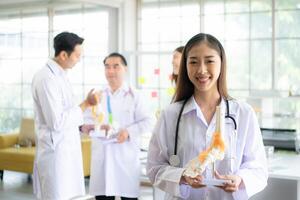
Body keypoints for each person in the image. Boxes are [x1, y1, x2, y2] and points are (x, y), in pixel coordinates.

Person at [146, 33, 268, 200]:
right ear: (185, 66)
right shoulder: (170, 115)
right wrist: (182, 176)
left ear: (221, 64)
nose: (201, 70)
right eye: (193, 62)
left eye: (209, 61)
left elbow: (259, 169)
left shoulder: (243, 113)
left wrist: (240, 180)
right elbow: (154, 168)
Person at [32, 32, 97, 200]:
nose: (79, 59)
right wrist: (86, 104)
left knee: (71, 196)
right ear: (63, 55)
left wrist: (81, 126)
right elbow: (57, 122)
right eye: (77, 55)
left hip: (66, 152)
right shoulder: (46, 78)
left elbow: (67, 111)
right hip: (56, 155)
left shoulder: (61, 76)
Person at [85, 53, 154, 200]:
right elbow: (85, 122)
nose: (111, 71)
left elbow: (148, 121)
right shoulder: (96, 95)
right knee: (103, 196)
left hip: (126, 159)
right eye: (107, 67)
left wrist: (128, 132)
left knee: (128, 196)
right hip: (103, 158)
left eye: (116, 66)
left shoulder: (136, 95)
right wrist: (96, 128)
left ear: (125, 69)